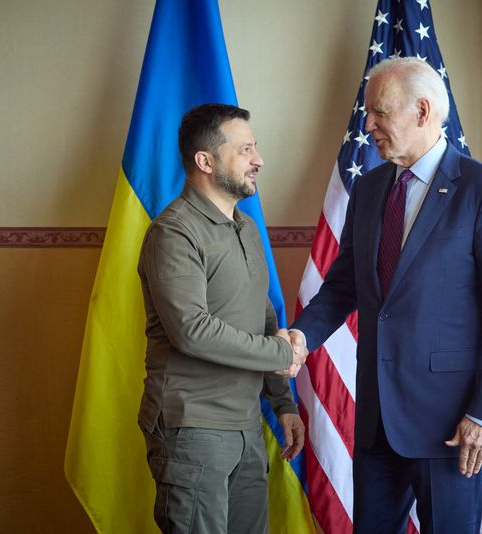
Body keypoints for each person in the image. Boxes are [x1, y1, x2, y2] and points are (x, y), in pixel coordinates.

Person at [290, 58, 482, 533]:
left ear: (422, 111)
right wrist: (300, 337)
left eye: (379, 112)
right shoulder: (369, 188)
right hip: (378, 423)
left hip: (452, 427)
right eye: (368, 114)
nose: (369, 125)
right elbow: (343, 286)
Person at [137, 103, 305, 534]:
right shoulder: (173, 232)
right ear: (205, 161)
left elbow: (261, 318)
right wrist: (280, 352)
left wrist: (283, 402)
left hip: (247, 426)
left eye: (256, 147)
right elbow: (192, 331)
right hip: (193, 430)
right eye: (245, 149)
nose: (259, 159)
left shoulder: (246, 228)